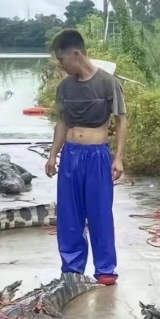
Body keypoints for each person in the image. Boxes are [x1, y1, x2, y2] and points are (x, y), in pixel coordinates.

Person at [45, 28, 127, 285]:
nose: (61, 66)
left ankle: (105, 269)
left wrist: (119, 157)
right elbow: (61, 123)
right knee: (69, 215)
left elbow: (121, 121)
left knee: (100, 212)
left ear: (76, 54)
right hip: (71, 155)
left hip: (97, 156)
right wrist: (52, 155)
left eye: (62, 60)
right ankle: (72, 268)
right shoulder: (65, 88)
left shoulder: (107, 83)